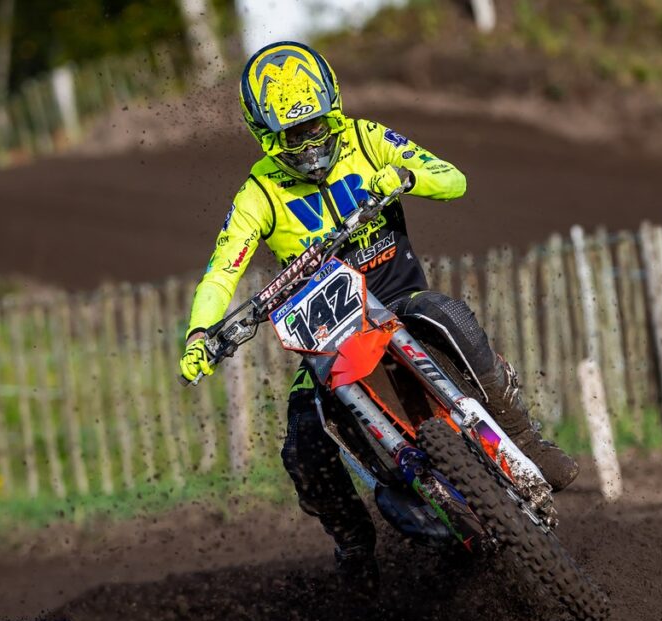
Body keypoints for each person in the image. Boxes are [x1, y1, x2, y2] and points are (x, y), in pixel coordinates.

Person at [179, 41, 577, 590]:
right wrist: (201, 333)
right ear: (266, 137)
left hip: (399, 301)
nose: (309, 143)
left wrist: (406, 176)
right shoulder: (258, 193)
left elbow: (452, 178)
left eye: (316, 126)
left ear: (333, 111)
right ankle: (352, 543)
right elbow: (221, 271)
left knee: (449, 314)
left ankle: (523, 438)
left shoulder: (367, 139)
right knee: (302, 443)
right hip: (326, 339)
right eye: (293, 135)